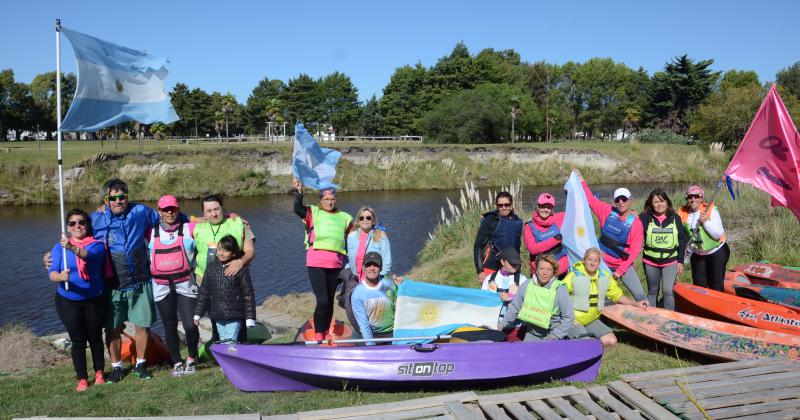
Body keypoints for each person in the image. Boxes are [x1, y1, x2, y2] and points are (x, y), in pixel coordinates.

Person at [92, 179, 160, 382]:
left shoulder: (140, 212)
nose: (118, 201)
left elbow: (168, 218)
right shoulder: (96, 218)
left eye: (122, 197)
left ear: (127, 198)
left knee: (143, 326)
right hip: (112, 285)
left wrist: (198, 219)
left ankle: (141, 365)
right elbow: (77, 236)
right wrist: (53, 257)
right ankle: (117, 368)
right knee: (112, 328)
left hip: (140, 281)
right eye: (113, 198)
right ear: (106, 199)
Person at [48, 209, 108, 392]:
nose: (77, 226)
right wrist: (60, 277)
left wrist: (72, 247)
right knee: (78, 340)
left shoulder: (97, 245)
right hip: (68, 300)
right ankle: (82, 378)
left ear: (88, 225)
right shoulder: (59, 248)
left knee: (96, 338)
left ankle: (99, 373)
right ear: (67, 227)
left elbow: (87, 256)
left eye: (81, 222)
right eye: (73, 223)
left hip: (94, 300)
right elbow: (52, 273)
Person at [292, 178, 353, 341]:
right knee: (323, 300)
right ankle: (319, 331)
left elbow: (356, 235)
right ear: (320, 200)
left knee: (330, 300)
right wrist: (298, 192)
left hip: (336, 264)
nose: (330, 202)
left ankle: (326, 331)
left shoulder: (345, 217)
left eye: (332, 199)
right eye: (326, 199)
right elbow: (297, 208)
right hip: (316, 263)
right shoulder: (313, 212)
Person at [148, 195, 199, 377]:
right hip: (161, 285)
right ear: (159, 211)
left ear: (178, 209)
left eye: (173, 209)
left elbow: (212, 221)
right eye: (165, 209)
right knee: (169, 325)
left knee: (190, 325)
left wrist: (233, 216)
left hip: (185, 283)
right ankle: (177, 362)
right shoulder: (149, 231)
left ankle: (192, 359)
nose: (169, 212)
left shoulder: (190, 228)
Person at [579, 173, 646, 301]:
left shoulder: (636, 224)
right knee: (602, 297)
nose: (621, 202)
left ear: (630, 200)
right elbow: (591, 200)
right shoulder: (606, 211)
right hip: (602, 264)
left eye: (624, 199)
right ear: (614, 202)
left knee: (640, 295)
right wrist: (582, 181)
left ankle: (648, 316)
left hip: (623, 265)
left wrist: (619, 271)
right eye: (617, 200)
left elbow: (634, 251)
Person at [565, 248, 648, 346]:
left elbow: (618, 296)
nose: (592, 263)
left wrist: (635, 303)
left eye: (595, 260)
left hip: (591, 320)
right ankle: (567, 334)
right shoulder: (574, 275)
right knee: (586, 345)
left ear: (599, 263)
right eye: (589, 259)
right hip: (574, 321)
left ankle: (583, 337)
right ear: (584, 260)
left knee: (611, 341)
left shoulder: (604, 277)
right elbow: (558, 294)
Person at [193, 235, 257, 344]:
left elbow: (248, 294)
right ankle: (233, 359)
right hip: (218, 315)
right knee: (224, 341)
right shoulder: (211, 267)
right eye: (219, 249)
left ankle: (231, 359)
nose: (221, 253)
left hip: (235, 315)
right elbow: (204, 292)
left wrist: (250, 318)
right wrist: (198, 314)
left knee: (229, 342)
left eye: (226, 250)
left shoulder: (241, 269)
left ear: (234, 253)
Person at [499, 254, 574, 340]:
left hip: (553, 334)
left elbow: (568, 317)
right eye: (541, 268)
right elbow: (514, 307)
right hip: (531, 333)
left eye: (549, 270)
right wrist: (501, 324)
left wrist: (555, 336)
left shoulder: (560, 289)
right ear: (536, 270)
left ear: (554, 272)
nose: (544, 273)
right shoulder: (526, 285)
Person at [639, 189, 688, 310]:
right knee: (652, 291)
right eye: (656, 202)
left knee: (667, 291)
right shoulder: (644, 218)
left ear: (667, 202)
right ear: (651, 203)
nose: (659, 204)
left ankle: (670, 318)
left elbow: (682, 239)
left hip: (670, 261)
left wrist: (680, 261)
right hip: (650, 262)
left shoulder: (675, 218)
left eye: (662, 201)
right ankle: (652, 318)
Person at [193, 194, 255, 285]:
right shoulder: (195, 227)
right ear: (203, 212)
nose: (214, 214)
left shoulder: (240, 224)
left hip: (233, 278)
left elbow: (250, 251)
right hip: (202, 279)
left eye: (216, 209)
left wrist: (241, 262)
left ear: (222, 208)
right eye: (209, 211)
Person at [678, 185, 730, 291]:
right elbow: (682, 237)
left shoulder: (710, 210)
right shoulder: (682, 213)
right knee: (699, 284)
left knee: (715, 284)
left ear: (701, 198)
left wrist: (705, 222)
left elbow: (718, 234)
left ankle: (716, 306)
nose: (693, 199)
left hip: (717, 251)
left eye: (696, 196)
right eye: (690, 196)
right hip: (698, 254)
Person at [350, 252, 403, 345]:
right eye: (368, 265)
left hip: (396, 331)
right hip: (375, 336)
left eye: (375, 265)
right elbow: (363, 324)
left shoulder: (390, 283)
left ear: (381, 268)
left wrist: (402, 285)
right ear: (363, 268)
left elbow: (402, 304)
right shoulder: (357, 294)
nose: (372, 268)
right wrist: (371, 346)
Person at [473, 191, 523, 284]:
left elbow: (517, 247)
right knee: (489, 295)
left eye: (506, 205)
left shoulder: (517, 221)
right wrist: (480, 270)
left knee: (511, 295)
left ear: (511, 204)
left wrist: (518, 265)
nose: (503, 208)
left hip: (511, 265)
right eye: (500, 205)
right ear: (496, 205)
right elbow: (478, 246)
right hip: (491, 264)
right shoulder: (490, 220)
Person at [523, 193, 568, 278]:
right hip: (541, 273)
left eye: (549, 207)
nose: (545, 210)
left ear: (552, 208)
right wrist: (554, 240)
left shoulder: (559, 218)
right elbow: (533, 249)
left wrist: (570, 191)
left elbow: (575, 208)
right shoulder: (529, 226)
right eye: (542, 206)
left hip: (561, 269)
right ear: (537, 206)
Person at [481, 247, 528, 321]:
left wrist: (513, 297)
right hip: (494, 321)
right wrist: (495, 295)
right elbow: (483, 300)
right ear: (502, 261)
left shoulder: (522, 280)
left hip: (515, 323)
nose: (516, 266)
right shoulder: (490, 279)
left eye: (517, 263)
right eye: (512, 263)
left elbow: (528, 303)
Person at [346, 207, 392, 281]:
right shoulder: (351, 236)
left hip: (374, 279)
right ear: (358, 221)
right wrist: (347, 273)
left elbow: (387, 259)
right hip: (355, 278)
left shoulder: (381, 235)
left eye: (368, 218)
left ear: (373, 221)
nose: (365, 220)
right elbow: (347, 257)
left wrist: (380, 276)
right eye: (362, 218)